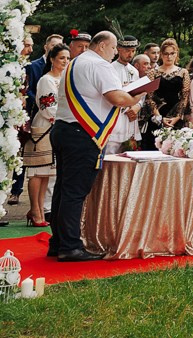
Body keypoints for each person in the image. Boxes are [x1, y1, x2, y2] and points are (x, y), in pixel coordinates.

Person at [47, 30, 135, 262]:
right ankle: (70, 246)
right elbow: (116, 97)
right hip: (82, 134)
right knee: (75, 191)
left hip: (64, 130)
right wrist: (136, 97)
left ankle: (58, 242)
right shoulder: (100, 65)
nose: (116, 52)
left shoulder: (75, 63)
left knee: (63, 189)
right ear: (104, 45)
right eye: (114, 47)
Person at [22, 41, 69, 226]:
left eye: (67, 58)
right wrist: (62, 119)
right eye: (61, 58)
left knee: (47, 174)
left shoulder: (64, 79)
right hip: (45, 126)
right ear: (52, 59)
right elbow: (46, 107)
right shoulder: (46, 80)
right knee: (37, 172)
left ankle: (40, 210)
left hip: (57, 127)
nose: (65, 61)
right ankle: (35, 210)